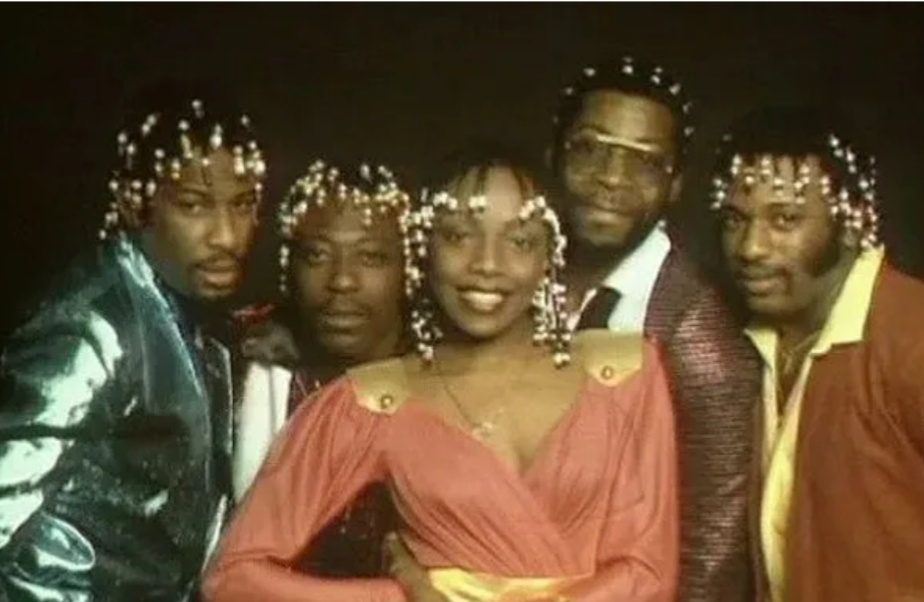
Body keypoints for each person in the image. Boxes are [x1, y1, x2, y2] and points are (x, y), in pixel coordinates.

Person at [204, 144, 680, 602]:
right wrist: (396, 597)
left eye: (519, 241)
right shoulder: (374, 400)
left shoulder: (623, 374)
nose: (486, 265)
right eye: (457, 236)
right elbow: (232, 580)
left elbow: (649, 577)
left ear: (550, 256)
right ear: (423, 247)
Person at [0, 86, 267, 601]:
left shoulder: (196, 314)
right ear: (131, 202)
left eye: (242, 204)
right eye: (194, 205)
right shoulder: (90, 325)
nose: (227, 237)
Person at [711, 104, 924, 602]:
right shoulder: (742, 345)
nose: (751, 247)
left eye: (785, 219)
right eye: (736, 219)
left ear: (852, 223)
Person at [549, 56, 759, 602]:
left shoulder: (700, 336)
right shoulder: (510, 280)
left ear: (675, 185)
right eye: (590, 147)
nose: (611, 177)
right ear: (555, 153)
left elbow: (711, 556)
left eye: (645, 161)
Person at [233, 160, 411, 577]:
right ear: (289, 268)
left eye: (371, 257)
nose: (342, 281)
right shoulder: (243, 367)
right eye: (316, 255)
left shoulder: (449, 380)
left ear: (409, 269)